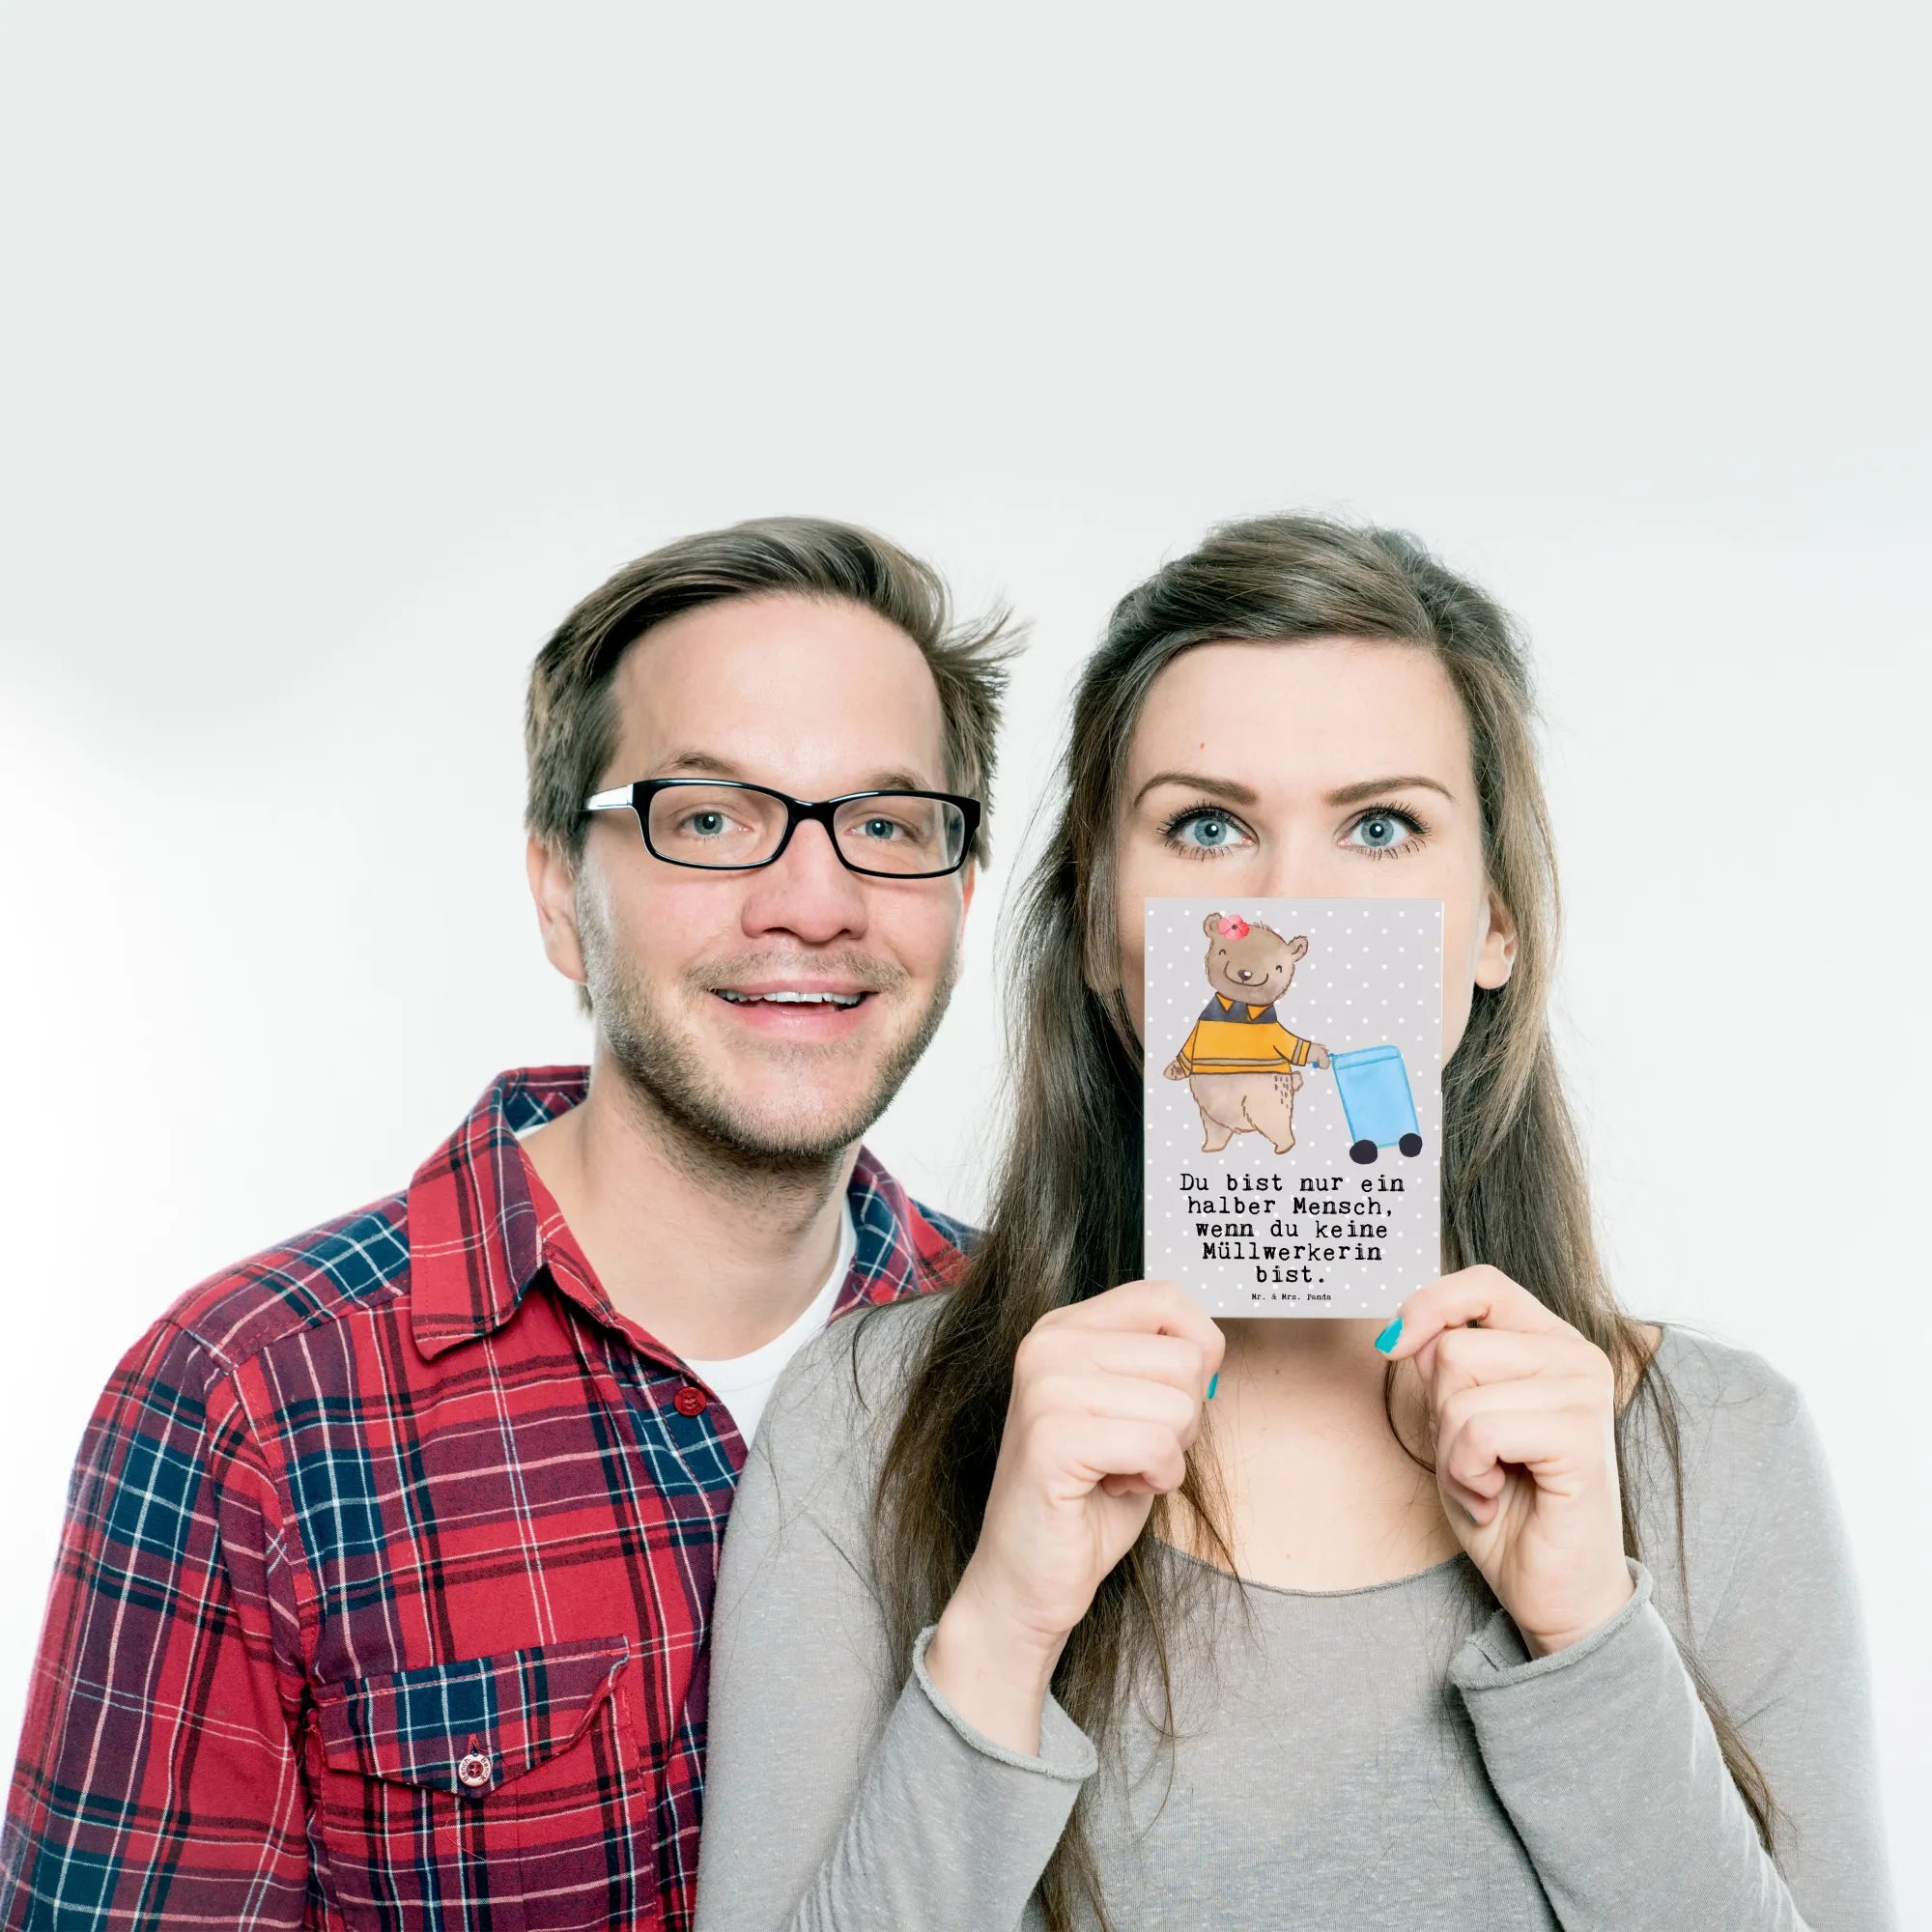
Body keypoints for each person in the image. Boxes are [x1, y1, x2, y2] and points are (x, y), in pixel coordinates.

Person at [694, 515, 1895, 1930]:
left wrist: (1586, 1631)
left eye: (1381, 827)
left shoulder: (1722, 1451)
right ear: (1100, 926)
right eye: (1207, 827)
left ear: (1494, 923)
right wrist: (1003, 1624)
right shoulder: (867, 1420)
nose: (1294, 907)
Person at [0, 517, 1014, 1930]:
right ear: (558, 895)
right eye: (710, 820)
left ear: (959, 891)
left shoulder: (1030, 1347)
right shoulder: (247, 1404)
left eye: (888, 827)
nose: (815, 902)